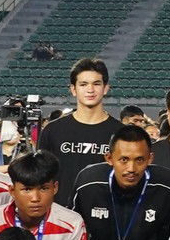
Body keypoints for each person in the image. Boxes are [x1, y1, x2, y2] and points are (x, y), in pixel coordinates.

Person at [36, 56, 127, 193]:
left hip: (105, 205)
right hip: (59, 205)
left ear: (106, 88)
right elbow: (41, 176)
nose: (90, 90)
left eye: (96, 84)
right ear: (73, 89)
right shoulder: (53, 130)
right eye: (83, 84)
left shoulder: (121, 133)